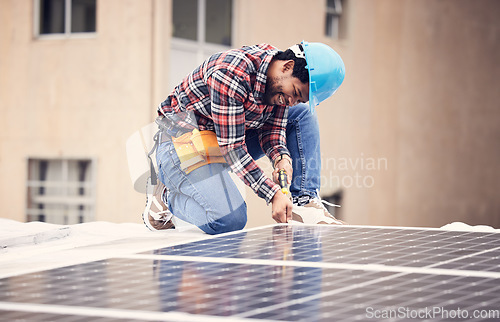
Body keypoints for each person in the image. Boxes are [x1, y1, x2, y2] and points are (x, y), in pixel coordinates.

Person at [142, 41, 345, 235]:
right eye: (295, 92)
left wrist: (282, 158)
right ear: (288, 66)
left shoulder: (279, 81)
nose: (291, 102)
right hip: (180, 146)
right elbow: (232, 148)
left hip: (219, 140)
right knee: (230, 220)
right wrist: (273, 193)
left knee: (301, 114)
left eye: (299, 99)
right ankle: (167, 196)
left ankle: (304, 201)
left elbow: (272, 132)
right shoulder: (230, 73)